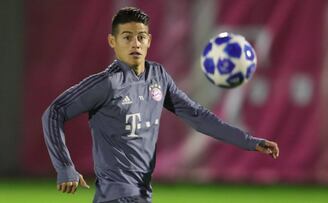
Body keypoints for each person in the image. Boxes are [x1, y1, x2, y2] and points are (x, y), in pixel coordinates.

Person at [42, 7, 279, 203]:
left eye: (141, 37)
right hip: (114, 197)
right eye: (126, 37)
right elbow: (54, 112)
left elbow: (198, 116)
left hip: (143, 195)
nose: (135, 43)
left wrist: (250, 142)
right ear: (112, 41)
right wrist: (65, 167)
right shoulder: (107, 84)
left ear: (149, 41)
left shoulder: (158, 77)